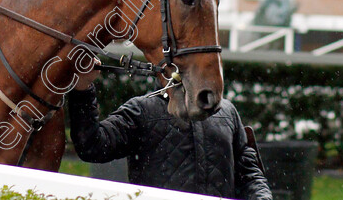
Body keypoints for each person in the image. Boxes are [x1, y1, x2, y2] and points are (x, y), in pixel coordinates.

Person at [67, 74, 273, 200]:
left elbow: (249, 175)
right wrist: (83, 88)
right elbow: (91, 145)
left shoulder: (226, 111)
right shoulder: (142, 111)